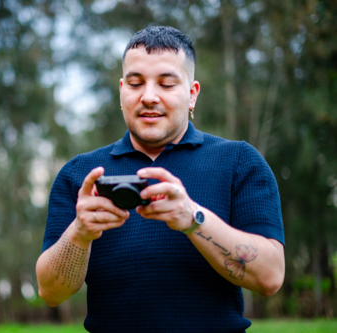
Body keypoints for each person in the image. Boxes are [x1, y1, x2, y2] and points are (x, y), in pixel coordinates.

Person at [36, 26, 285, 332]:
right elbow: (50, 292)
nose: (149, 97)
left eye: (167, 84)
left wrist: (192, 218)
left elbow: (270, 278)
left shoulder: (239, 162)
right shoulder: (79, 174)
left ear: (192, 94)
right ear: (121, 90)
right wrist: (80, 232)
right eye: (135, 83)